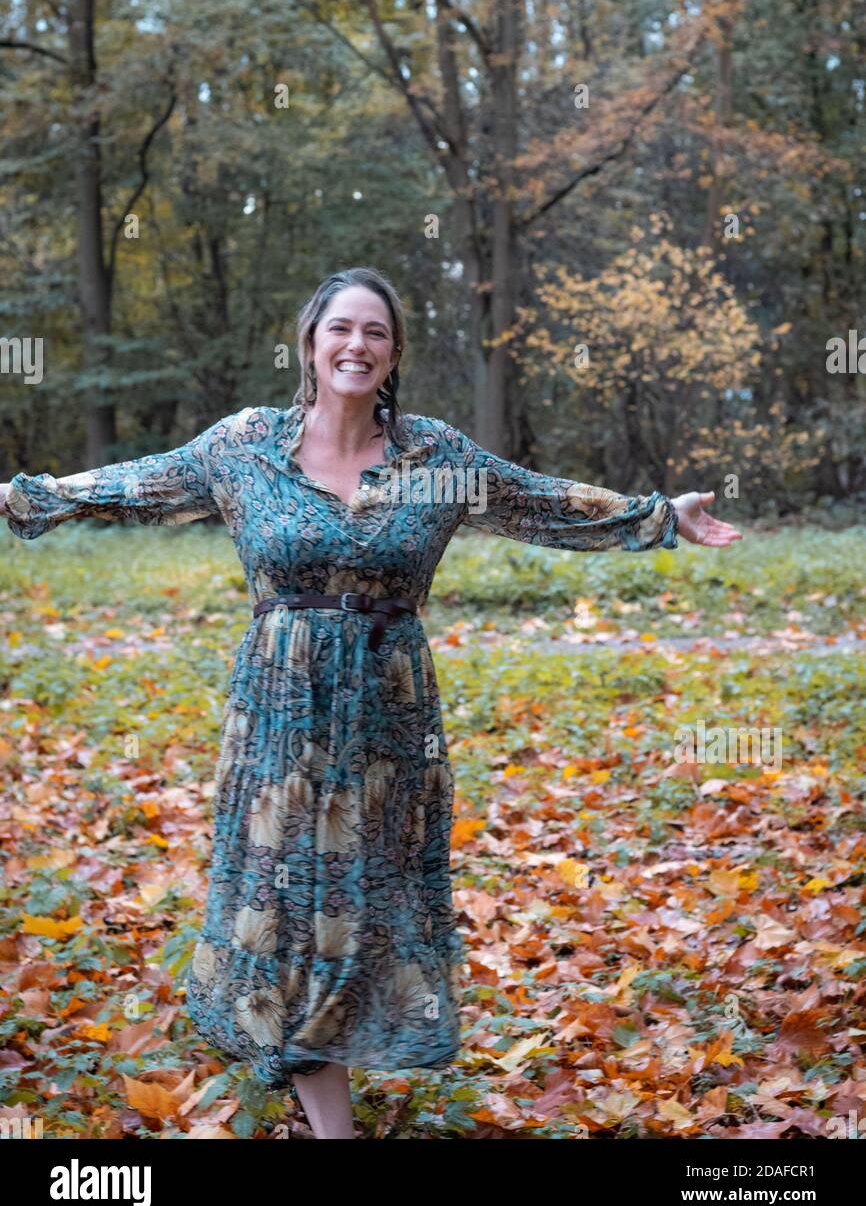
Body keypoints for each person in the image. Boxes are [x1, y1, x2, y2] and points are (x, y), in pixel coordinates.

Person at [0, 265, 741, 1139]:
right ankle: (330, 1123)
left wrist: (659, 516)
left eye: (376, 333)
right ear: (310, 343)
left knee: (362, 907)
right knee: (287, 907)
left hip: (391, 719)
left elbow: (540, 503)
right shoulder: (244, 449)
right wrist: (23, 497)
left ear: (393, 355)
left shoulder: (436, 460)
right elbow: (139, 482)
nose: (358, 346)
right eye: (341, 329)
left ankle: (318, 1083)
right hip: (281, 714)